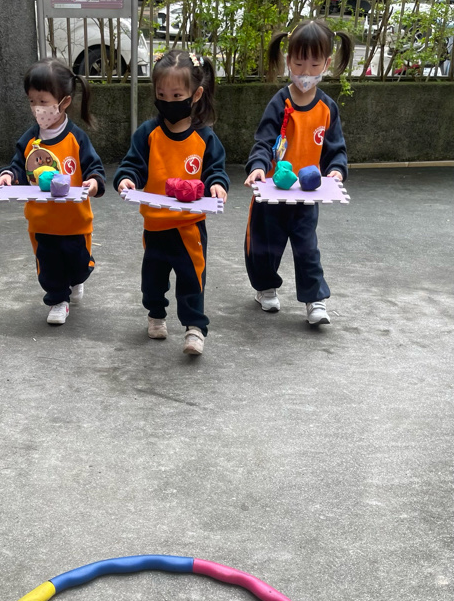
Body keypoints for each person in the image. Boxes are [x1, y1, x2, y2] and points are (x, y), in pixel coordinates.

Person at [114, 49, 230, 356]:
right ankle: (156, 314)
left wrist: (218, 185)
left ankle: (195, 327)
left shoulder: (205, 137)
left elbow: (216, 170)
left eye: (177, 95)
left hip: (189, 226)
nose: (168, 101)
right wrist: (126, 179)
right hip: (155, 224)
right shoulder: (148, 133)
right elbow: (133, 164)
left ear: (195, 94)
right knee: (152, 281)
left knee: (193, 279)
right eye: (161, 94)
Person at [244, 19, 352, 327]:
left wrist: (336, 171)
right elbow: (264, 141)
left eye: (314, 64)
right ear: (288, 60)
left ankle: (314, 299)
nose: (306, 71)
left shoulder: (327, 108)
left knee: (308, 249)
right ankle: (265, 287)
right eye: (299, 63)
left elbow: (335, 149)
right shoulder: (280, 103)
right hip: (271, 197)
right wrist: (258, 167)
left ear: (326, 64)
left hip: (306, 198)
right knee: (264, 247)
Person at [0, 58, 105, 326]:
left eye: (43, 101)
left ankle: (77, 279)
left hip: (75, 221)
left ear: (63, 102)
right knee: (49, 266)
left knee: (79, 265)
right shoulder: (30, 139)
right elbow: (17, 165)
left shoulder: (76, 138)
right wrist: (8, 176)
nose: (37, 108)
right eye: (32, 101)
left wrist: (93, 183)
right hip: (42, 221)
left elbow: (94, 167)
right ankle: (58, 300)